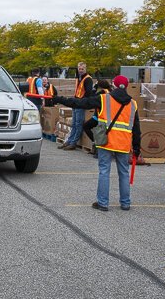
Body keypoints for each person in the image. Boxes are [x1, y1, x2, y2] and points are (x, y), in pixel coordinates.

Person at [54, 75, 141, 211]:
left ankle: (103, 203)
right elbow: (136, 129)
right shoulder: (133, 104)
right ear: (127, 86)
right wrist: (136, 148)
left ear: (114, 84)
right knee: (124, 173)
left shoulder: (104, 98)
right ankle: (125, 203)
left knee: (104, 171)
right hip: (124, 143)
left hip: (106, 141)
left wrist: (60, 99)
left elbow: (80, 103)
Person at [60, 62, 94, 150]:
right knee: (74, 123)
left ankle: (73, 142)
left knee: (78, 124)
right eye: (79, 69)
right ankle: (70, 141)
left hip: (80, 104)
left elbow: (88, 93)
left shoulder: (88, 79)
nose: (81, 70)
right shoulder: (78, 78)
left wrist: (82, 102)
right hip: (76, 102)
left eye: (82, 69)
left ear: (85, 69)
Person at [83, 79, 111, 156]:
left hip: (99, 116)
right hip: (107, 117)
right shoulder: (110, 92)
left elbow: (91, 98)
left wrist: (94, 88)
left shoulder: (101, 93)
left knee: (86, 126)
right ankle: (96, 145)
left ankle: (96, 145)